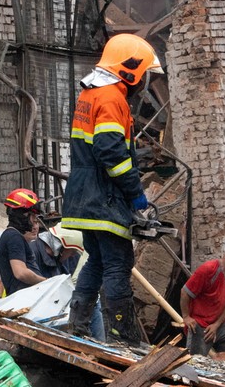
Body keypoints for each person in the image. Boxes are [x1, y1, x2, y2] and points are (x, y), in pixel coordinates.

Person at [61, 33, 163, 347]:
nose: (145, 80)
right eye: (144, 72)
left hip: (83, 194)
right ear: (130, 70)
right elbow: (111, 153)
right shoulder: (111, 98)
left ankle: (76, 326)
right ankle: (124, 335)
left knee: (96, 260)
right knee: (119, 262)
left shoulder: (91, 93)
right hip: (104, 197)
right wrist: (135, 194)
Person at [30, 226, 106, 342]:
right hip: (39, 313)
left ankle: (99, 344)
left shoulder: (55, 261)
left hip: (51, 310)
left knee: (93, 302)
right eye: (72, 251)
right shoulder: (34, 253)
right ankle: (99, 345)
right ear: (61, 247)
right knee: (91, 303)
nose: (71, 256)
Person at [180, 237, 225, 356]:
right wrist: (186, 317)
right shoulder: (208, 269)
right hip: (200, 323)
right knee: (197, 359)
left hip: (220, 323)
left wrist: (216, 325)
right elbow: (185, 292)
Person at [0, 188, 46, 296]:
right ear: (23, 216)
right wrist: (46, 282)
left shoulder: (13, 236)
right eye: (33, 216)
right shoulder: (14, 237)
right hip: (23, 300)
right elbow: (21, 273)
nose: (34, 221)